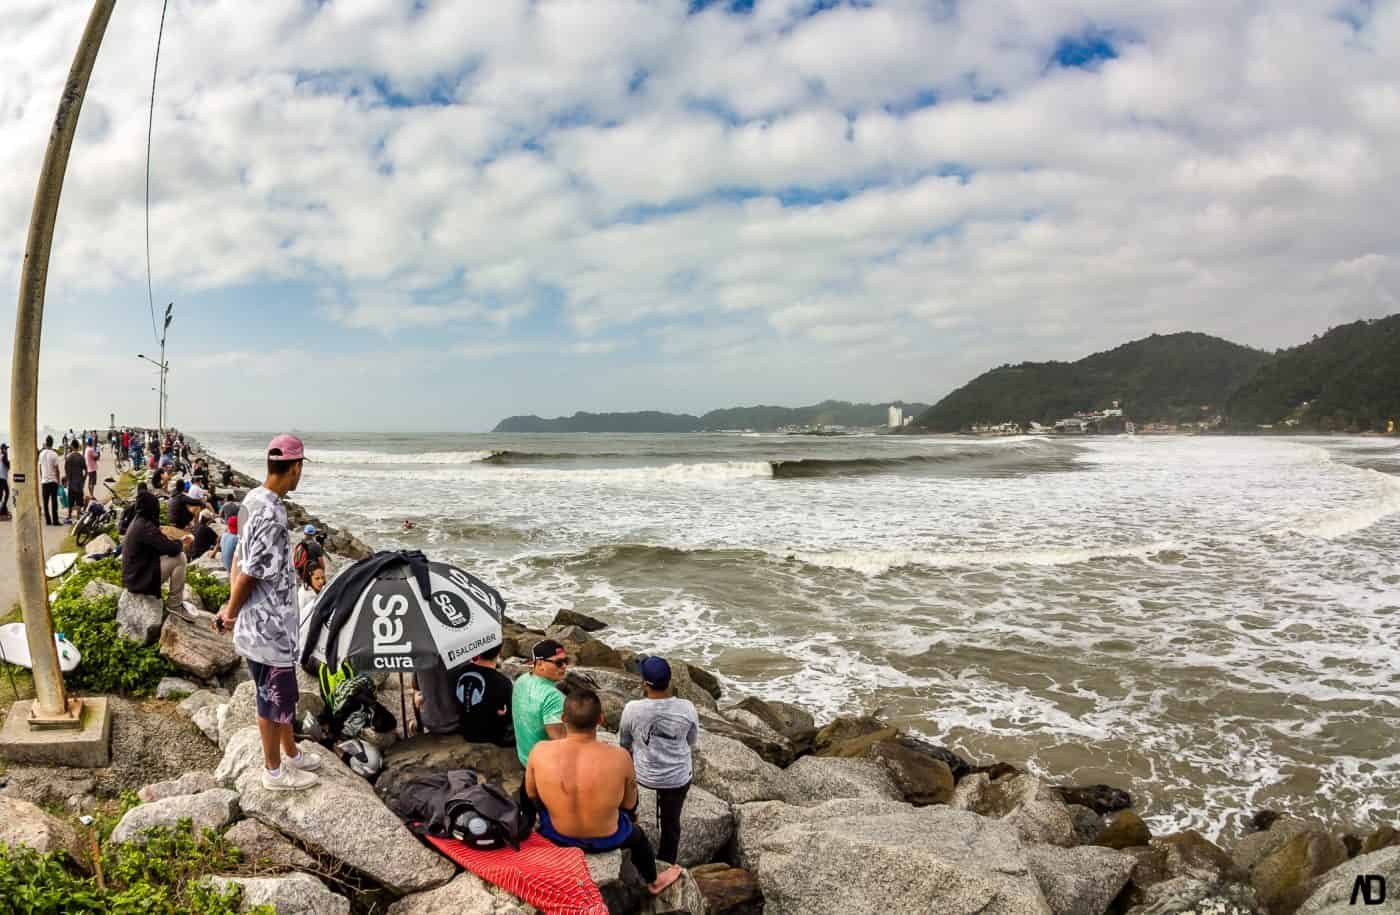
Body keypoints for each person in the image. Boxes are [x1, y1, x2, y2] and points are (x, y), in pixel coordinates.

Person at [214, 434, 321, 792]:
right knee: (270, 700)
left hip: (266, 625)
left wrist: (231, 607)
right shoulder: (272, 514)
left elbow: (238, 558)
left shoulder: (252, 499)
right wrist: (230, 613)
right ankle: (273, 772)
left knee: (283, 696)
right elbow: (249, 573)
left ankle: (291, 753)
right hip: (267, 629)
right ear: (295, 468)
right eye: (300, 468)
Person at [526, 688, 683, 895]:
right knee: (637, 835)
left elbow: (531, 795)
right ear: (600, 719)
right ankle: (653, 881)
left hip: (558, 835)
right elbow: (629, 805)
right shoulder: (620, 757)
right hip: (607, 839)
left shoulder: (540, 751)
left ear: (563, 718)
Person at [618, 657, 699, 866]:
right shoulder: (687, 708)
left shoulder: (632, 709)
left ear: (645, 684)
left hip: (644, 776)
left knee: (627, 809)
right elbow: (691, 740)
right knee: (671, 823)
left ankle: (630, 847)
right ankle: (667, 862)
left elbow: (624, 743)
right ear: (669, 681)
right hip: (677, 778)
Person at [121, 491, 195, 621]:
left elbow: (160, 545)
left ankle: (175, 603)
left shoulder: (138, 521)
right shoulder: (145, 527)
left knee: (173, 555)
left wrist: (173, 541)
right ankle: (175, 605)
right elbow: (172, 549)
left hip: (133, 576)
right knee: (180, 558)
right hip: (139, 581)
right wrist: (182, 542)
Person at [512, 639, 568, 766]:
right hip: (543, 766)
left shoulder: (522, 680)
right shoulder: (553, 697)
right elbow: (560, 741)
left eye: (566, 661)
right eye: (559, 663)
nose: (564, 666)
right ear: (540, 664)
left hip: (524, 756)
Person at [38, 435, 61, 526]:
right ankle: (55, 520)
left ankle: (48, 520)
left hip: (44, 481)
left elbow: (40, 467)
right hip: (53, 480)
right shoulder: (54, 454)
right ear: (52, 443)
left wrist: (42, 477)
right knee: (54, 501)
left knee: (45, 502)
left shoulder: (41, 454)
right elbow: (57, 469)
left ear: (46, 442)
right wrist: (58, 480)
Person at [62, 441, 86, 524]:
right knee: (79, 501)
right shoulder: (81, 457)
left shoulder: (68, 457)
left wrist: (67, 480)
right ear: (78, 446)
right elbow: (85, 471)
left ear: (72, 446)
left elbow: (66, 470)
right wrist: (83, 479)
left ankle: (69, 516)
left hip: (71, 483)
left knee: (70, 501)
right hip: (79, 483)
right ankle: (78, 517)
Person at [0, 443, 10, 520]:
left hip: (3, 478)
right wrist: (11, 464)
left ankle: (3, 507)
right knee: (2, 494)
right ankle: (2, 508)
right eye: (5, 449)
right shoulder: (3, 456)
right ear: (2, 449)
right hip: (2, 478)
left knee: (6, 493)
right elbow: (7, 464)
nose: (6, 450)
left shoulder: (2, 456)